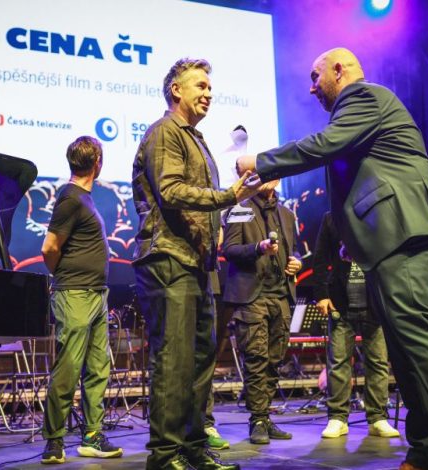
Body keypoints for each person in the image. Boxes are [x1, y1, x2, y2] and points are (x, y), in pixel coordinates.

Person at [236, 48, 428, 470]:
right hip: (389, 240)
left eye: (315, 76)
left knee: (418, 337)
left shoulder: (363, 96)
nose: (311, 88)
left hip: (404, 234)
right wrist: (352, 239)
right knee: (405, 351)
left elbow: (326, 145)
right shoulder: (360, 111)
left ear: (339, 70)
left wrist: (261, 162)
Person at [132, 58, 261, 470]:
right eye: (200, 85)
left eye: (210, 87)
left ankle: (192, 448)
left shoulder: (197, 139)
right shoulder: (164, 132)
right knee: (174, 361)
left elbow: (197, 201)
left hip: (197, 264)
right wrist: (227, 197)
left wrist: (216, 225)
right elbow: (170, 191)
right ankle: (165, 455)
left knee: (201, 360)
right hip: (168, 259)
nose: (209, 93)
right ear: (176, 89)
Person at [40, 136, 123, 464]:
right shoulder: (71, 198)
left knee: (98, 368)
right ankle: (54, 440)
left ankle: (91, 435)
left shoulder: (82, 198)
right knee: (69, 369)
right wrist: (63, 276)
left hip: (96, 294)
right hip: (75, 293)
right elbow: (49, 248)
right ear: (97, 162)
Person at [221, 174, 301, 444]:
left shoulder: (286, 214)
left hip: (281, 296)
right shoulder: (240, 209)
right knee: (256, 359)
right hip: (251, 296)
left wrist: (296, 262)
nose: (266, 179)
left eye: (270, 175)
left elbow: (294, 251)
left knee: (275, 360)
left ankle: (265, 417)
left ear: (277, 180)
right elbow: (229, 249)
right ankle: (257, 419)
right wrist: (258, 248)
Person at [312, 211, 400, 439]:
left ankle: (378, 418)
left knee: (378, 361)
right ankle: (337, 418)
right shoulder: (332, 217)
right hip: (341, 300)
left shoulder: (377, 214)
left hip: (374, 300)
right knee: (338, 362)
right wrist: (321, 294)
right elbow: (320, 258)